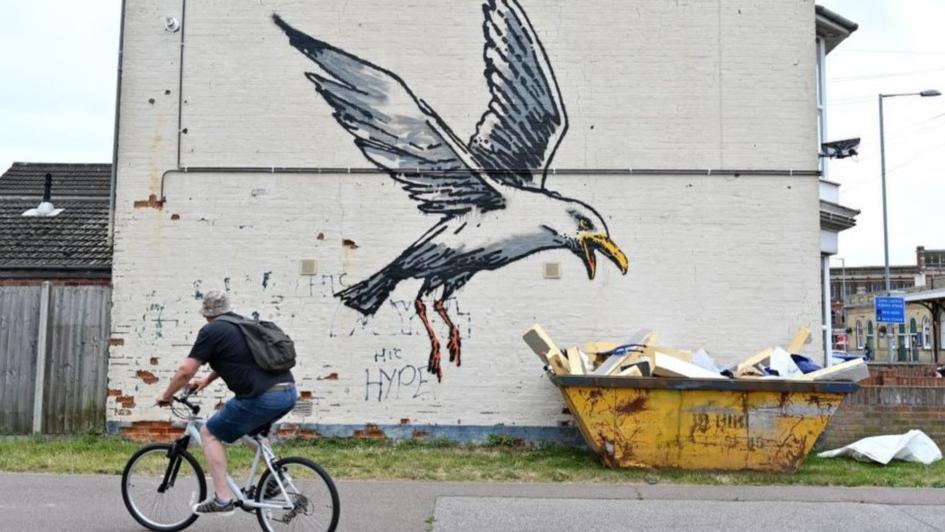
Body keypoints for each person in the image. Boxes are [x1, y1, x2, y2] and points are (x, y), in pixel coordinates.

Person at [157, 291, 296, 515]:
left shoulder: (211, 330)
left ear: (207, 314)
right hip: (287, 392)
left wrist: (166, 395)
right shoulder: (243, 324)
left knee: (209, 432)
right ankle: (277, 474)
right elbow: (237, 359)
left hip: (261, 397)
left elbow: (185, 371)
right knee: (248, 430)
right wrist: (207, 380)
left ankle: (222, 499)